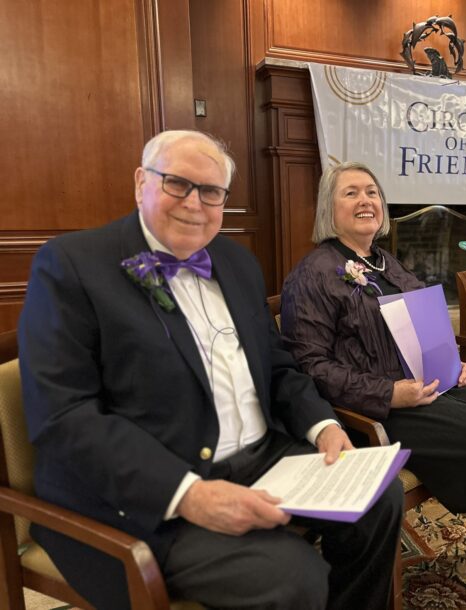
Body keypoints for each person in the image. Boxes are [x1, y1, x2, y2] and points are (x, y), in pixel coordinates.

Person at [18, 131, 403, 610]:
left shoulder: (236, 262)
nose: (194, 203)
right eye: (178, 183)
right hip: (152, 490)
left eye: (211, 192)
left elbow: (279, 364)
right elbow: (64, 416)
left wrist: (322, 424)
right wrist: (189, 494)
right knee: (292, 577)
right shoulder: (72, 265)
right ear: (142, 182)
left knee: (379, 498)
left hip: (262, 457)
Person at [280, 162, 466, 610]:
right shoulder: (313, 274)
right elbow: (308, 367)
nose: (365, 201)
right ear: (327, 210)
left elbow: (425, 323)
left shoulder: (384, 261)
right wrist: (389, 393)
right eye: (350, 193)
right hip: (377, 408)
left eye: (372, 192)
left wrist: (456, 362)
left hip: (429, 387)